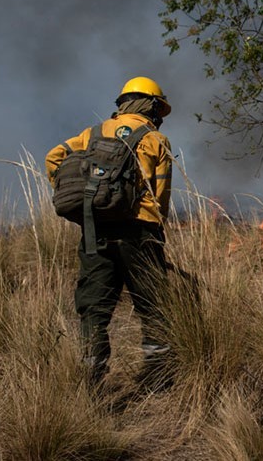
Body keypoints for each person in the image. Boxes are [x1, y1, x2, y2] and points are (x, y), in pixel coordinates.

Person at [46, 76, 174, 389]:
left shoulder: (92, 133)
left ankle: (92, 381)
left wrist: (82, 196)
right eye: (158, 108)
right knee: (153, 301)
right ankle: (157, 380)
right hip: (140, 230)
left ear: (123, 103)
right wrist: (156, 227)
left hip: (96, 228)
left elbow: (53, 158)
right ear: (151, 105)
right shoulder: (156, 139)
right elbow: (161, 194)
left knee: (94, 306)